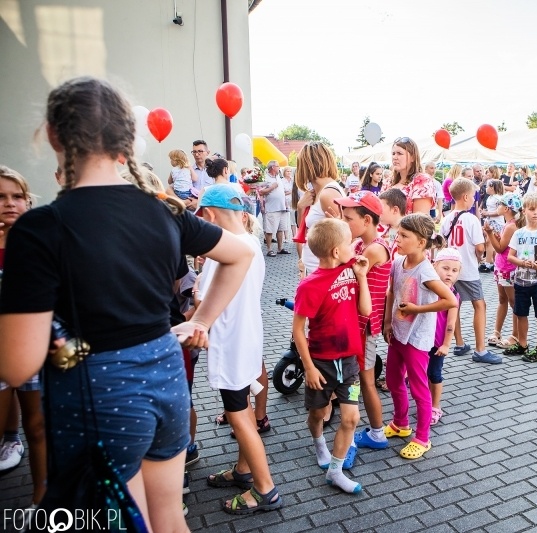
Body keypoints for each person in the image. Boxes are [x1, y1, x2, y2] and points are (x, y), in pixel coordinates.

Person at [0, 76, 255, 531]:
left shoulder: (39, 229)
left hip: (101, 396)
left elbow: (18, 367)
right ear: (125, 140)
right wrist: (200, 320)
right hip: (165, 377)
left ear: (54, 135)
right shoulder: (163, 209)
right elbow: (241, 253)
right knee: (168, 516)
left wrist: (70, 345)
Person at [194, 185, 281, 515]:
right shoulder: (249, 243)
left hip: (232, 343)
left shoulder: (227, 250)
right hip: (246, 338)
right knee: (242, 407)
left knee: (238, 415)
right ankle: (244, 471)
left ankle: (265, 489)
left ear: (210, 215)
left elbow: (205, 301)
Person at [292, 218, 371, 492]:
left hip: (348, 361)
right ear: (336, 251)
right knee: (317, 414)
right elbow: (298, 330)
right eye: (349, 243)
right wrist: (309, 368)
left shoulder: (351, 269)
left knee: (351, 418)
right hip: (320, 364)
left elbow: (366, 311)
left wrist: (361, 276)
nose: (355, 248)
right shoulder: (309, 286)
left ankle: (335, 472)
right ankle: (319, 443)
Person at [383, 214, 457, 459]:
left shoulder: (426, 271)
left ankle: (423, 437)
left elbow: (450, 300)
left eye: (404, 236)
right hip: (398, 334)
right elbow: (392, 292)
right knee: (393, 381)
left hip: (417, 339)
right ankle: (400, 423)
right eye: (398, 234)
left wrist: (417, 310)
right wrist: (386, 321)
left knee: (418, 388)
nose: (398, 239)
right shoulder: (398, 262)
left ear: (421, 242)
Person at [0, 166, 46, 507]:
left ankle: (41, 501)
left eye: (17, 196)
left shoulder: (38, 243)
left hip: (34, 348)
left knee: (39, 428)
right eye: (1, 197)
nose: (10, 204)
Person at [334, 192, 392, 452]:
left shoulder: (374, 249)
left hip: (365, 327)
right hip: (356, 324)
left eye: (348, 219)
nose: (343, 223)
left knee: (364, 381)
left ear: (367, 220)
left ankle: (377, 433)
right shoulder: (359, 244)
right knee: (357, 379)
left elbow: (344, 274)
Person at [441, 178, 500, 364]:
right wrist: (479, 257)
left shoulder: (447, 218)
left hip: (450, 269)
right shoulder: (471, 219)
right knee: (479, 305)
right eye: (473, 195)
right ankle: (480, 350)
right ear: (466, 197)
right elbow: (481, 247)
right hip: (467, 269)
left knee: (454, 305)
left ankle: (459, 343)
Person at [506, 193, 537, 362]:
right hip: (521, 281)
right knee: (521, 313)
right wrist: (522, 262)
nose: (535, 213)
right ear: (524, 210)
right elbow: (510, 256)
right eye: (532, 209)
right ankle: (522, 344)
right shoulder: (518, 233)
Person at [295, 142, 344, 276]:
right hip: (313, 269)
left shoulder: (328, 194)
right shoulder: (316, 192)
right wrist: (301, 207)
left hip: (323, 274)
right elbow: (305, 229)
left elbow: (344, 237)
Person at [484, 193, 523, 350]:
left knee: (513, 302)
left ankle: (516, 334)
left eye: (499, 204)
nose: (497, 207)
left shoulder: (512, 226)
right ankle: (497, 331)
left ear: (506, 208)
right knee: (502, 299)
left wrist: (489, 233)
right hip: (502, 268)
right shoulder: (510, 225)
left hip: (508, 269)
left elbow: (499, 248)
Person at [428, 248, 461, 425]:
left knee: (434, 373)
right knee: (421, 374)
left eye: (454, 271)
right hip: (422, 340)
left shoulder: (454, 295)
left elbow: (451, 323)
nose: (449, 274)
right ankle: (425, 403)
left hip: (438, 343)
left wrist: (446, 345)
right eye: (445, 268)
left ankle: (435, 406)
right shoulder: (428, 289)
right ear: (435, 266)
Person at [383, 137, 435, 215]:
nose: (394, 157)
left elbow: (418, 221)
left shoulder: (422, 181)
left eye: (399, 153)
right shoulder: (388, 182)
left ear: (413, 157)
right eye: (393, 153)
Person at [258, 160, 289, 257]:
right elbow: (260, 192)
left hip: (282, 207)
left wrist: (285, 204)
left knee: (281, 229)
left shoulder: (278, 177)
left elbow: (282, 192)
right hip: (272, 208)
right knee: (270, 229)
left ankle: (280, 248)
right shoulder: (265, 178)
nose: (279, 168)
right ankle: (269, 249)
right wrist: (272, 187)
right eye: (278, 166)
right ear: (272, 167)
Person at [378, 188, 406, 260]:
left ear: (395, 210)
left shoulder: (410, 233)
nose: (378, 212)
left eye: (381, 208)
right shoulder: (388, 229)